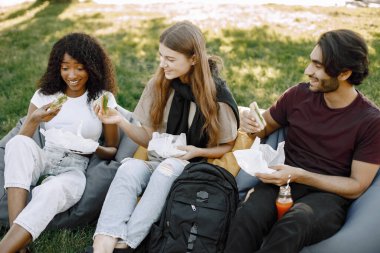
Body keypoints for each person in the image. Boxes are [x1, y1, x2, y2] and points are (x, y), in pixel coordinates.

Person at [86, 21, 239, 253]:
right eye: (161, 56)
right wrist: (120, 121)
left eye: (170, 59)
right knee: (128, 170)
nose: (162, 64)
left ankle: (126, 243)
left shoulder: (216, 97)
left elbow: (226, 146)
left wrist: (197, 151)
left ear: (193, 59)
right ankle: (103, 245)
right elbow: (148, 138)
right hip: (155, 159)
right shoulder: (159, 85)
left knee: (167, 169)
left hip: (189, 165)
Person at [224, 29, 380, 253]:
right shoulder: (298, 95)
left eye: (318, 65)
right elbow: (264, 127)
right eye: (311, 62)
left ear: (344, 73)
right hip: (283, 182)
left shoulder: (370, 122)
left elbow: (356, 186)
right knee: (248, 214)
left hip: (328, 197)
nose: (308, 71)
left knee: (294, 225)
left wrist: (300, 174)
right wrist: (252, 124)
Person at [0, 33, 119, 253]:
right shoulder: (44, 96)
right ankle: (19, 243)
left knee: (51, 190)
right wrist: (35, 119)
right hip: (45, 157)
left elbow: (113, 149)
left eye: (79, 67)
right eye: (65, 67)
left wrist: (94, 147)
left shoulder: (102, 99)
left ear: (92, 68)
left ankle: (10, 246)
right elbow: (23, 140)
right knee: (16, 144)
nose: (72, 75)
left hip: (74, 169)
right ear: (58, 67)